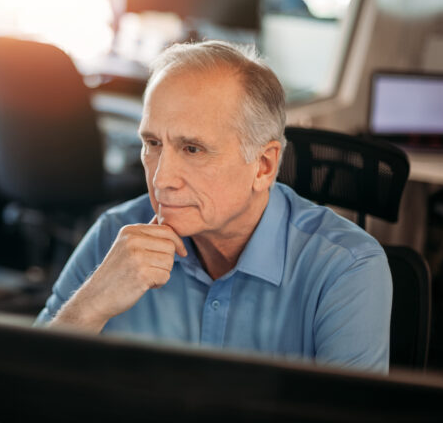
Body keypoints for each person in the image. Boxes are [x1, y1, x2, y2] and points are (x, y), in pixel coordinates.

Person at [35, 40, 392, 372]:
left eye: (193, 149)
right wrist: (90, 306)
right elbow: (23, 385)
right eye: (153, 143)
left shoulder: (346, 270)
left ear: (264, 166)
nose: (161, 180)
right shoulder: (117, 232)